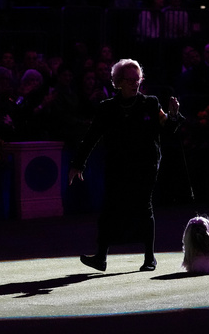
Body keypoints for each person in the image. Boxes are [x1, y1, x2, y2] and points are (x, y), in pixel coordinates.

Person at [69, 58, 180, 272]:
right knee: (109, 208)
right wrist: (78, 164)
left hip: (145, 164)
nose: (134, 83)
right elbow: (91, 136)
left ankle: (149, 258)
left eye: (137, 79)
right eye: (129, 80)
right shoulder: (107, 108)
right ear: (118, 81)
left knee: (143, 207)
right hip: (117, 165)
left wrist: (174, 114)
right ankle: (100, 257)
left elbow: (168, 129)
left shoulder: (151, 103)